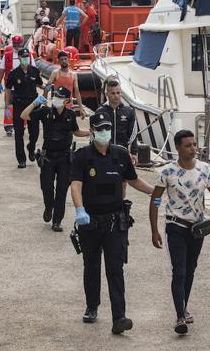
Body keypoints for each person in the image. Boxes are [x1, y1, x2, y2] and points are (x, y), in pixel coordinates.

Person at [70, 112, 153, 334]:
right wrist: (79, 209)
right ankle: (92, 306)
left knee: (115, 268)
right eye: (100, 128)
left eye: (107, 128)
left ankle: (119, 317)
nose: (104, 132)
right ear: (93, 130)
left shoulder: (120, 154)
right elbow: (76, 185)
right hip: (89, 221)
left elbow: (133, 179)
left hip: (115, 221)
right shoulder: (82, 156)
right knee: (92, 266)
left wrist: (155, 193)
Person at [148, 129, 210, 334]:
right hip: (175, 226)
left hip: (197, 228)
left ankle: (184, 307)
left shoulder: (205, 169)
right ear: (178, 148)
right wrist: (154, 229)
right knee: (178, 271)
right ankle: (180, 317)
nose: (193, 149)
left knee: (190, 270)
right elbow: (156, 200)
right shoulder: (167, 172)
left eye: (194, 144)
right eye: (188, 145)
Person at [21, 86, 90, 231]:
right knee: (46, 187)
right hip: (48, 158)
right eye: (55, 96)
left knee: (62, 190)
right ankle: (48, 207)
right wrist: (35, 103)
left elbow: (76, 132)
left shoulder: (70, 115)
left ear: (66, 101)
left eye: (59, 97)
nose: (56, 99)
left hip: (65, 157)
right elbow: (24, 116)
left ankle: (57, 221)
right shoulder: (46, 112)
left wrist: (91, 133)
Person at [4, 48, 42, 168]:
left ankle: (31, 148)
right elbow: (8, 89)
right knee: (19, 133)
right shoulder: (14, 73)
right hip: (19, 104)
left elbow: (40, 84)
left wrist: (47, 88)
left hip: (33, 105)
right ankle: (21, 159)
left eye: (27, 56)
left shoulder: (35, 71)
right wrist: (7, 105)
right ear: (19, 58)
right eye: (23, 57)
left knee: (35, 132)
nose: (25, 59)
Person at [96, 76, 138, 165]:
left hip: (123, 152)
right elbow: (94, 134)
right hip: (104, 153)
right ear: (107, 94)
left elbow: (133, 134)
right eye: (113, 93)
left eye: (118, 93)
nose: (116, 96)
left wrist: (134, 152)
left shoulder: (129, 111)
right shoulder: (100, 111)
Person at [0, 35, 31, 136]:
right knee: (8, 106)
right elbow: (2, 69)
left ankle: (22, 124)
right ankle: (8, 126)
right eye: (15, 44)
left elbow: (33, 69)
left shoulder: (27, 55)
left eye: (18, 44)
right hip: (10, 87)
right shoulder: (7, 55)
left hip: (24, 87)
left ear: (22, 44)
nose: (17, 46)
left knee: (23, 106)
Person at [45, 51, 86, 118]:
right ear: (58, 61)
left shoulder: (73, 74)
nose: (64, 61)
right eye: (61, 60)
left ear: (68, 60)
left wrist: (81, 108)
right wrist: (45, 103)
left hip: (69, 105)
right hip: (57, 105)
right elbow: (47, 87)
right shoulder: (55, 73)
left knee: (70, 126)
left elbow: (77, 92)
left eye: (65, 59)